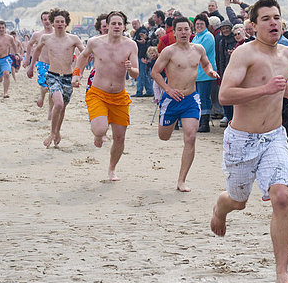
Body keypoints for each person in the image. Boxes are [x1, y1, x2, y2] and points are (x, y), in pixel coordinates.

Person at [210, 0, 288, 283]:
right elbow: (225, 95)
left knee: (280, 197)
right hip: (241, 139)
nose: (273, 23)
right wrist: (264, 89)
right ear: (253, 25)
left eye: (276, 17)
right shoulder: (244, 53)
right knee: (239, 201)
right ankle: (220, 209)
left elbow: (280, 83)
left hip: (274, 137)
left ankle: (282, 274)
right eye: (265, 19)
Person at [150, 16, 219, 192]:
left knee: (191, 137)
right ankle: (169, 122)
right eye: (179, 29)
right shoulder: (169, 51)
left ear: (191, 31)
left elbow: (206, 64)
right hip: (171, 99)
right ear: (174, 31)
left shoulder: (199, 49)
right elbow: (155, 72)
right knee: (163, 136)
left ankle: (181, 181)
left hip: (191, 98)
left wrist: (210, 71)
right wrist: (167, 89)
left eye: (186, 29)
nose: (183, 32)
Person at [72, 11, 139, 181]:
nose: (116, 26)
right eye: (113, 23)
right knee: (101, 129)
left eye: (120, 24)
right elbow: (82, 57)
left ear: (124, 26)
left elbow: (136, 75)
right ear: (107, 25)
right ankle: (97, 133)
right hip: (98, 93)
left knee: (119, 137)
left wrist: (130, 68)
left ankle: (112, 168)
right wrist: (76, 74)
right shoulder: (95, 42)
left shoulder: (131, 45)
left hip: (119, 96)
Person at [31, 9, 84, 147]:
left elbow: (85, 55)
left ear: (66, 24)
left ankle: (58, 131)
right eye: (57, 21)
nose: (60, 24)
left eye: (62, 21)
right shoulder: (46, 38)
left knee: (63, 107)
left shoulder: (73, 39)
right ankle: (52, 133)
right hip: (52, 75)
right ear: (52, 23)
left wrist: (78, 73)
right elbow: (36, 50)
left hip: (68, 77)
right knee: (58, 104)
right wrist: (31, 66)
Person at [191, 14, 218, 133]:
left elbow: (198, 53)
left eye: (202, 24)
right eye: (197, 24)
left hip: (206, 73)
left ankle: (205, 123)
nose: (199, 26)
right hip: (196, 74)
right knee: (198, 98)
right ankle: (200, 121)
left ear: (206, 25)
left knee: (204, 98)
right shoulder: (196, 37)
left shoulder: (208, 36)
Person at [27, 12, 54, 116]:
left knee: (52, 90)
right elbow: (29, 45)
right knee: (45, 88)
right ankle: (42, 96)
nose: (47, 21)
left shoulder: (57, 33)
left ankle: (50, 111)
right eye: (44, 19)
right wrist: (27, 61)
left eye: (48, 19)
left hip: (55, 66)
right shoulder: (37, 34)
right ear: (42, 21)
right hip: (42, 64)